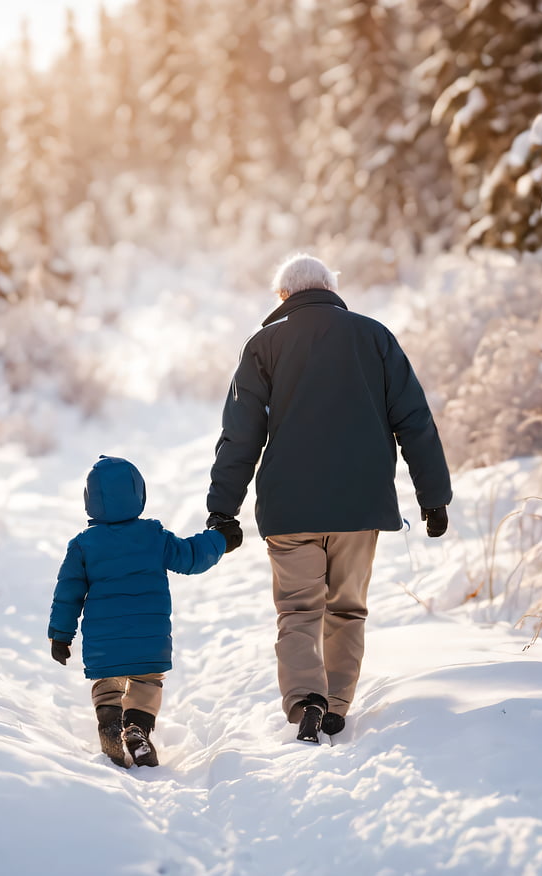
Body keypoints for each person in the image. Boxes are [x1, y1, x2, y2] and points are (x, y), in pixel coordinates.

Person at [205, 253, 451, 743]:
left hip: (288, 508)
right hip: (360, 507)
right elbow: (415, 421)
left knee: (298, 611)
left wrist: (222, 509)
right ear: (330, 289)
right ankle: (337, 705)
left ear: (283, 297)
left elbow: (241, 435)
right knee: (346, 608)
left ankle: (306, 700)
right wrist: (434, 497)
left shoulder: (263, 346)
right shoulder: (374, 337)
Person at [49, 455, 242, 767]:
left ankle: (110, 722)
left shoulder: (83, 545)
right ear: (139, 494)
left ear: (89, 500)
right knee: (147, 681)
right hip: (148, 639)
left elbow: (67, 592)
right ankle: (137, 727)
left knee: (107, 682)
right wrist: (220, 539)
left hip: (104, 640)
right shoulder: (154, 536)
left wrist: (60, 635)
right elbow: (191, 557)